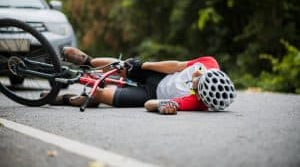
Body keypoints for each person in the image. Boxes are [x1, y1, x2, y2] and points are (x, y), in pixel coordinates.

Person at [48, 47, 236, 114]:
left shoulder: (197, 103)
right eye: (199, 77)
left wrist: (164, 106)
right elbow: (177, 65)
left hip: (151, 94)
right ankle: (87, 61)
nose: (194, 79)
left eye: (197, 87)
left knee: (99, 95)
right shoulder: (209, 62)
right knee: (123, 65)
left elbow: (149, 104)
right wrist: (145, 65)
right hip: (159, 76)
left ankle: (64, 98)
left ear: (202, 97)